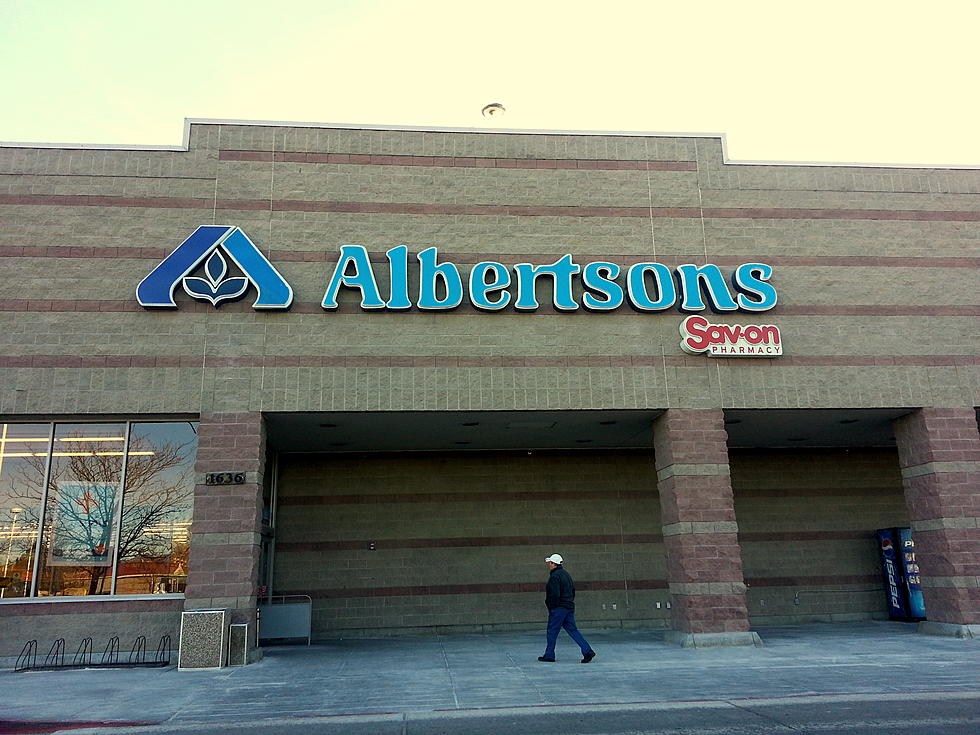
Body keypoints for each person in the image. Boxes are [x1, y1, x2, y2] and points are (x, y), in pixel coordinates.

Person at [538, 553, 596, 663]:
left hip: (558, 608)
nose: (549, 565)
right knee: (573, 630)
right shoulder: (566, 575)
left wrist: (551, 607)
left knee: (552, 631)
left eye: (550, 563)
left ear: (554, 564)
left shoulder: (555, 576)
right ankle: (587, 650)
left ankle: (549, 655)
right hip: (568, 607)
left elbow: (554, 594)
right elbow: (572, 591)